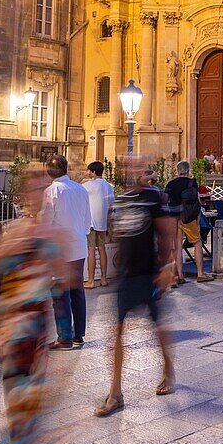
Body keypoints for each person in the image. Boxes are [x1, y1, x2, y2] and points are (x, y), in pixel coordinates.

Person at [0, 171, 69, 444]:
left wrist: (43, 263)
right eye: (32, 188)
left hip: (32, 327)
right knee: (14, 396)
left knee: (23, 399)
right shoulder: (13, 230)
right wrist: (3, 247)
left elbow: (64, 279)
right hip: (12, 325)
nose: (37, 194)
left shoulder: (48, 236)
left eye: (41, 189)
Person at [94, 160, 176, 417]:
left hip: (148, 272)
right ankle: (115, 392)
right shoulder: (121, 199)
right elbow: (118, 233)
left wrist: (165, 268)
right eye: (128, 168)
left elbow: (165, 234)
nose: (131, 171)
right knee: (117, 331)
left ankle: (168, 369)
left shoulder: (153, 199)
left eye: (136, 167)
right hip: (127, 275)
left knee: (158, 327)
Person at [41, 155, 92, 350]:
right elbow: (88, 220)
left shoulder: (51, 192)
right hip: (78, 244)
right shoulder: (81, 189)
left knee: (60, 294)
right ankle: (79, 334)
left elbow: (46, 222)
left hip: (59, 249)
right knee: (77, 291)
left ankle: (64, 337)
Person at [164, 161, 214, 285]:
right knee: (197, 243)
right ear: (188, 171)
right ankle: (200, 273)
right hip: (188, 218)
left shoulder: (170, 184)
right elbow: (196, 201)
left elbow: (165, 201)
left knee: (177, 246)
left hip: (174, 217)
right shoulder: (192, 183)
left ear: (177, 171)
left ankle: (180, 275)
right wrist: (198, 218)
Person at [83, 161, 115, 289]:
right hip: (102, 222)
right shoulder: (108, 186)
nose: (88, 173)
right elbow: (112, 203)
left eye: (89, 171)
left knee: (91, 250)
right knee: (102, 249)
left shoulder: (88, 185)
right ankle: (103, 279)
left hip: (91, 222)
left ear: (93, 172)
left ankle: (90, 280)